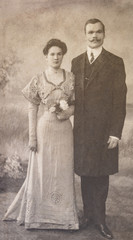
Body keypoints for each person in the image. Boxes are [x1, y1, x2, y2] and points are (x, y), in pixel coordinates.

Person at [3, 39, 79, 230]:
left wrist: (68, 112)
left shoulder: (71, 78)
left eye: (59, 53)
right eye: (52, 54)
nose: (56, 57)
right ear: (46, 56)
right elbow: (32, 109)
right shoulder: (38, 79)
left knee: (62, 171)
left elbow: (77, 103)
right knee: (42, 171)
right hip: (44, 130)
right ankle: (40, 215)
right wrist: (32, 138)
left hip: (64, 132)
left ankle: (64, 217)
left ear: (63, 56)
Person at [71, 19, 127, 239]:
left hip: (104, 131)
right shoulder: (76, 62)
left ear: (104, 33)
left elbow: (119, 100)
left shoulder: (115, 62)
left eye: (98, 32)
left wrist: (115, 132)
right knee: (85, 173)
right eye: (90, 32)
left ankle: (101, 220)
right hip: (82, 131)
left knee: (101, 175)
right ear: (85, 34)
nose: (94, 36)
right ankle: (88, 216)